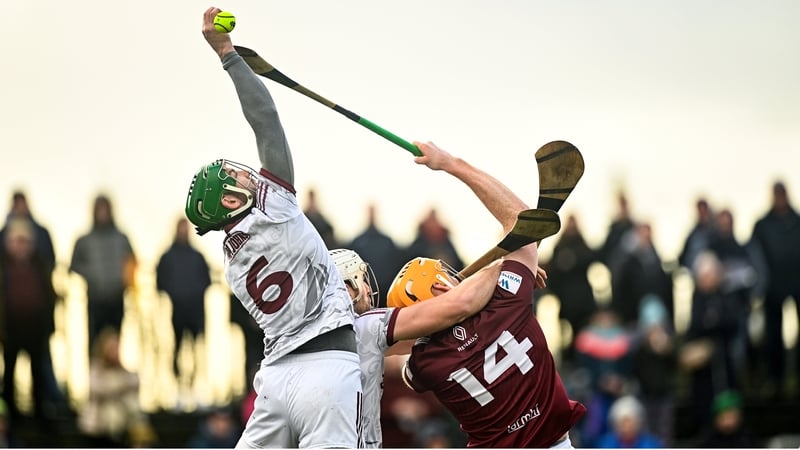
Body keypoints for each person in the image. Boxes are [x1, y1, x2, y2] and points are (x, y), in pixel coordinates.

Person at [183, 8, 361, 447]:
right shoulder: (274, 206)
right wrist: (226, 54)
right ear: (229, 201)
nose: (248, 176)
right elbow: (265, 117)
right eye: (236, 180)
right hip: (329, 367)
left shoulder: (231, 260)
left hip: (276, 382)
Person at [396, 141, 586, 448]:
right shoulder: (507, 302)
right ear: (445, 287)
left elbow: (396, 346)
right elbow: (524, 224)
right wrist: (450, 163)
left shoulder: (424, 365)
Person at [328, 247, 507, 447]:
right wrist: (503, 271)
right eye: (361, 280)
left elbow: (422, 333)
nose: (368, 289)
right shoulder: (366, 327)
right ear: (345, 289)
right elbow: (459, 306)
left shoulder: (299, 336)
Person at [0, 219, 58, 429]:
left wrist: (49, 323)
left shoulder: (40, 265)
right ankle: (10, 415)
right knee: (9, 373)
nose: (20, 245)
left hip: (35, 327)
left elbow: (49, 295)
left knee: (38, 372)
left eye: (24, 241)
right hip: (10, 328)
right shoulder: (3, 266)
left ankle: (40, 412)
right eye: (17, 240)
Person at [749, 180, 800, 399]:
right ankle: (775, 381)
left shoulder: (797, 221)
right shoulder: (762, 225)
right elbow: (753, 255)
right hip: (772, 289)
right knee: (773, 337)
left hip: (797, 286)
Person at [69, 194, 137, 354]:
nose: (102, 213)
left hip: (117, 298)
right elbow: (74, 266)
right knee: (94, 343)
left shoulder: (121, 238)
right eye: (99, 209)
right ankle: (94, 377)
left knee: (116, 345)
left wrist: (124, 282)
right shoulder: (85, 240)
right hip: (95, 299)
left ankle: (116, 377)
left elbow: (132, 263)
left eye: (105, 209)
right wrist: (91, 276)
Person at [156, 217, 212, 389]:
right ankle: (177, 386)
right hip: (177, 312)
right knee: (176, 349)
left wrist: (193, 293)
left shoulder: (197, 257)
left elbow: (206, 281)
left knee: (198, 351)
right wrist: (176, 294)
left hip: (195, 312)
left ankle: (197, 386)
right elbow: (160, 282)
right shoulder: (168, 257)